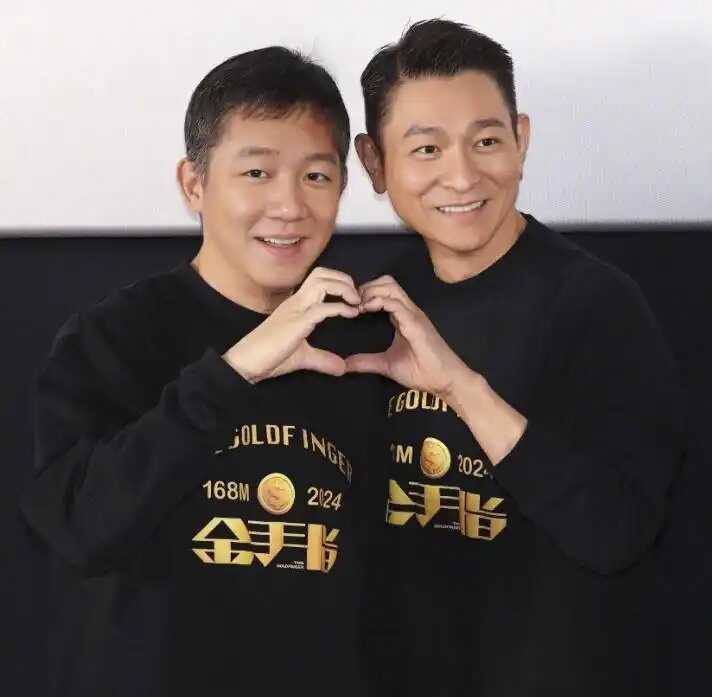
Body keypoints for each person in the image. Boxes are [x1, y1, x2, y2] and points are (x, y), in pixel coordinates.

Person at [22, 46, 380, 697]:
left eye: (316, 176)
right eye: (257, 172)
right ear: (194, 183)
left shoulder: (363, 349)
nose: (289, 204)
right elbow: (80, 528)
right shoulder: (114, 338)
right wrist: (234, 370)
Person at [350, 19, 684, 696]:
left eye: (487, 141)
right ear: (375, 163)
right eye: (426, 149)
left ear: (521, 140)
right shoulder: (373, 307)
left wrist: (463, 388)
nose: (462, 175)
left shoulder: (598, 306)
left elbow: (617, 531)